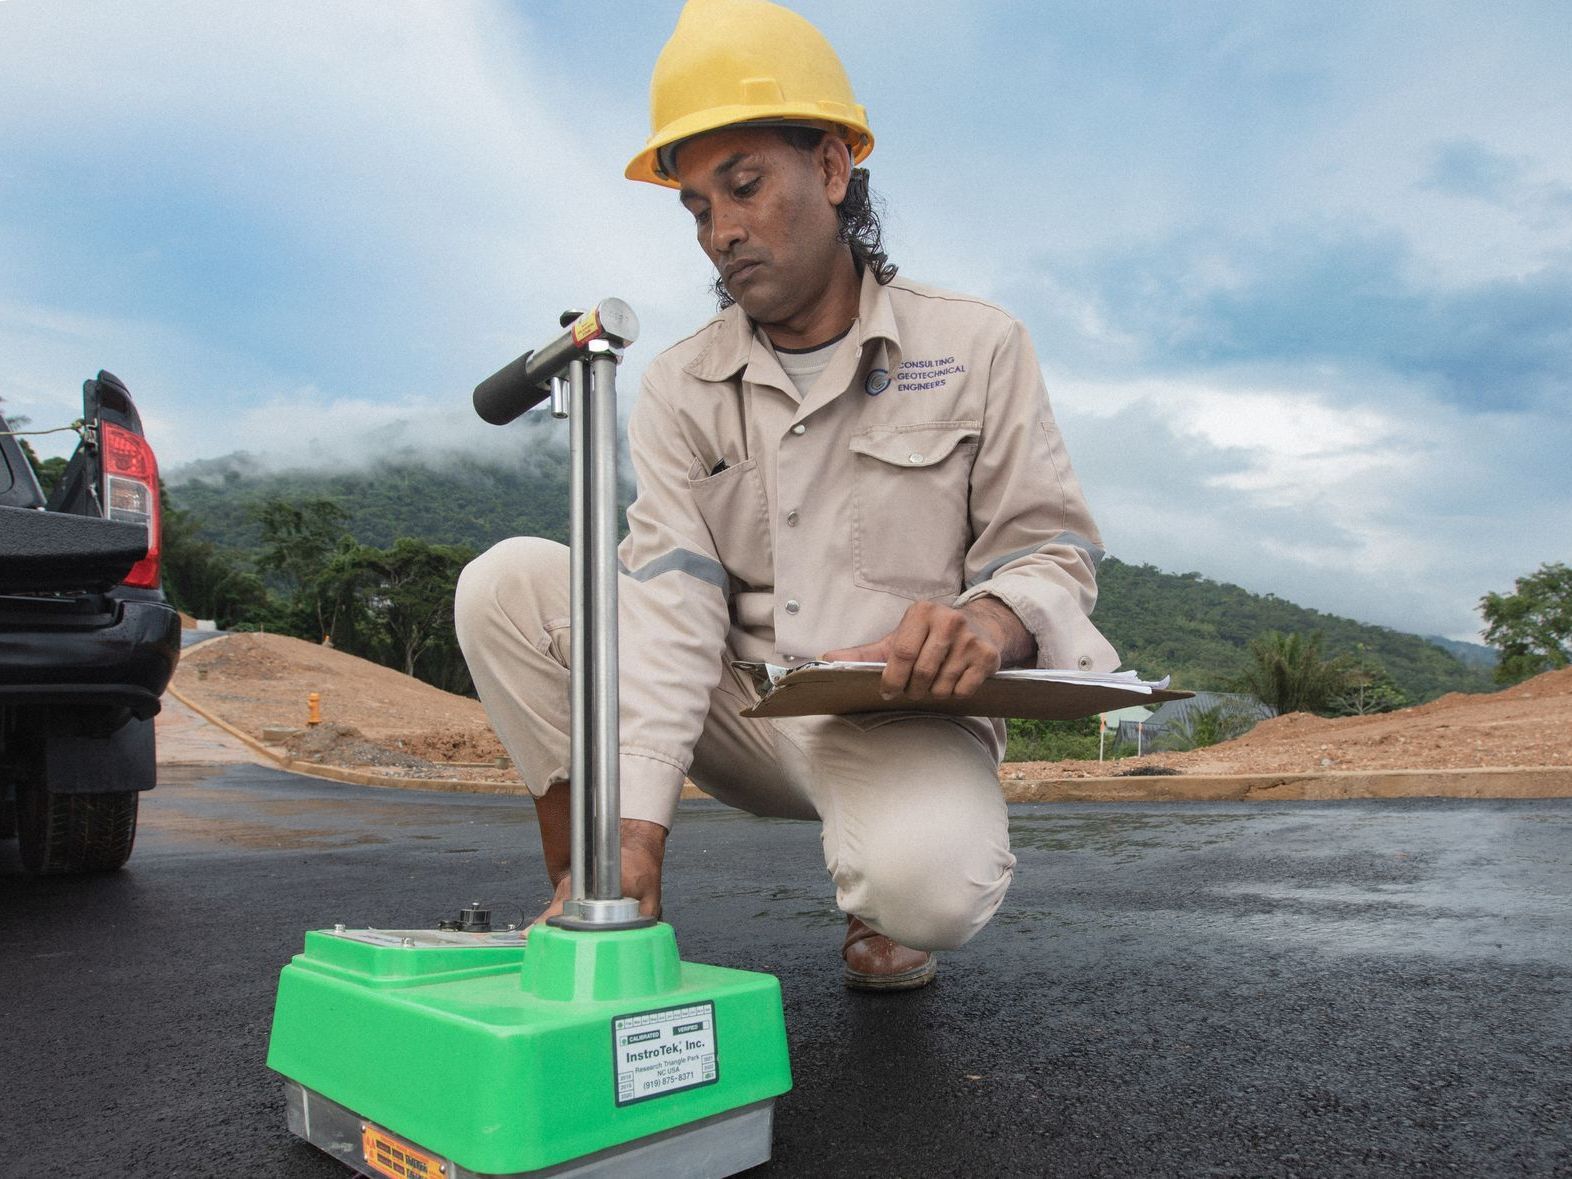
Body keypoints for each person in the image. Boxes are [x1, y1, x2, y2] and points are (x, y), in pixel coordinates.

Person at [455, 0, 1118, 991]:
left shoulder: (978, 346)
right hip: (738, 704)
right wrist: (638, 835)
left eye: (746, 186)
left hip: (894, 715)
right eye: (697, 208)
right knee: (508, 586)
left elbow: (1051, 551)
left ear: (835, 169)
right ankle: (594, 888)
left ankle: (879, 912)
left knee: (931, 890)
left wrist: (992, 619)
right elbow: (673, 606)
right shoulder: (682, 385)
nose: (722, 231)